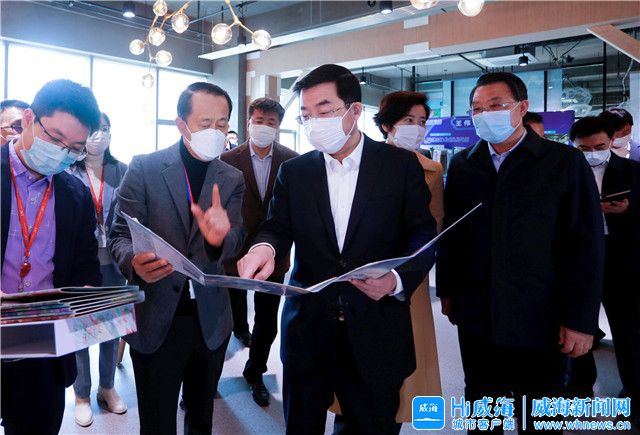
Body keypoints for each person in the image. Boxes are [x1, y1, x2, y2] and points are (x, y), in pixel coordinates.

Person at [237, 64, 436, 435]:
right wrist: (264, 248)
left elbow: (422, 234)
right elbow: (277, 226)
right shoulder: (296, 172)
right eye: (306, 115)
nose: (314, 122)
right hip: (307, 329)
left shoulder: (398, 166)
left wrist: (395, 279)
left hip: (375, 327)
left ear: (355, 110)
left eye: (324, 110)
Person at [436, 72, 604, 433]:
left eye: (495, 105)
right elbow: (454, 233)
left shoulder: (563, 162)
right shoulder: (465, 164)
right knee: (483, 405)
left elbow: (586, 245)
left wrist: (581, 319)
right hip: (478, 314)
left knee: (541, 410)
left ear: (522, 107)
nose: (485, 114)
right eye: (477, 108)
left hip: (541, 315)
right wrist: (448, 291)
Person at [108, 82, 245, 435]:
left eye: (222, 124)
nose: (215, 132)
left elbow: (235, 240)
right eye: (205, 123)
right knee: (157, 421)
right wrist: (133, 261)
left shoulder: (232, 178)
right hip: (156, 316)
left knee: (201, 418)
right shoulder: (144, 167)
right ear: (181, 124)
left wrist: (218, 241)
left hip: (211, 320)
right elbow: (118, 234)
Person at [1, 79, 101, 434]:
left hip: (42, 348)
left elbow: (85, 264)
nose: (61, 152)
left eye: (73, 148)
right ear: (29, 119)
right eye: (55, 138)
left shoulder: (76, 194)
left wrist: (86, 296)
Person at [220, 97, 298, 407]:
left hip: (274, 255)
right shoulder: (227, 159)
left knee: (267, 321)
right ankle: (209, 376)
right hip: (232, 254)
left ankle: (255, 372)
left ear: (278, 126)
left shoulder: (292, 161)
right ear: (249, 122)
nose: (264, 126)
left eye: (271, 122)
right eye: (259, 121)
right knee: (222, 319)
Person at [570, 117, 640, 429]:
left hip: (621, 260)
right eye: (583, 149)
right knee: (575, 327)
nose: (592, 153)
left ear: (611, 141)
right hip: (577, 259)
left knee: (628, 331)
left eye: (598, 146)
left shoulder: (633, 171)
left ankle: (634, 393)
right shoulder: (566, 171)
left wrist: (629, 210)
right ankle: (579, 389)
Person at [68, 112, 128, 427]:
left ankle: (107, 387)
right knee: (80, 330)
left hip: (114, 261)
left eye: (105, 128)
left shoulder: (123, 170)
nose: (100, 135)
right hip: (81, 263)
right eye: (94, 129)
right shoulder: (68, 170)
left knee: (110, 327)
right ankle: (81, 394)